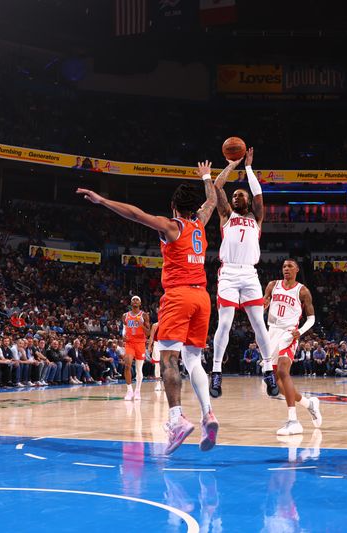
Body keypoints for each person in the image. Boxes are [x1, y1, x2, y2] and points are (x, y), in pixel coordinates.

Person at [77, 158, 226, 455]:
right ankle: (208, 413)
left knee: (169, 359)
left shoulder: (173, 227)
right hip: (202, 297)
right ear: (192, 208)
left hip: (179, 295)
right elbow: (211, 200)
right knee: (193, 359)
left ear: (174, 207)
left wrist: (102, 199)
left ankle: (176, 419)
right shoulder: (200, 223)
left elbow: (135, 214)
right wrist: (208, 176)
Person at [209, 148, 278, 399]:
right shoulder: (226, 215)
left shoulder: (256, 217)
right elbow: (217, 186)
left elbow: (259, 194)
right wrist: (232, 165)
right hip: (228, 273)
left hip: (249, 274)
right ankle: (216, 372)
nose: (236, 197)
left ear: (247, 201)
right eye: (234, 195)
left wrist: (248, 168)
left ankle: (268, 369)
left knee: (259, 323)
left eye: (240, 195)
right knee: (225, 323)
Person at [264, 259, 322, 436]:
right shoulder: (272, 285)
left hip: (289, 333)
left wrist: (300, 331)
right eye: (283, 266)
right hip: (271, 332)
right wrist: (261, 308)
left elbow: (311, 318)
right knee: (275, 380)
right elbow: (263, 305)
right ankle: (308, 404)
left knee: (283, 371)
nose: (286, 269)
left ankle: (293, 421)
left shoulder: (302, 290)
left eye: (290, 266)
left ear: (297, 269)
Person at [122, 296, 150, 400]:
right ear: (130, 302)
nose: (135, 301)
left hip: (140, 343)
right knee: (127, 365)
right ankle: (129, 391)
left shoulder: (144, 315)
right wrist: (123, 335)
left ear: (140, 303)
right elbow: (124, 328)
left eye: (137, 299)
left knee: (139, 369)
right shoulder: (125, 315)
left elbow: (148, 333)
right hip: (129, 343)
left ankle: (137, 391)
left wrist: (141, 325)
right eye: (133, 299)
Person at [147, 322, 163, 391]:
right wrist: (149, 346)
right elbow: (151, 336)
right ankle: (158, 384)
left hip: (166, 344)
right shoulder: (155, 325)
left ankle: (166, 384)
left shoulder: (168, 323)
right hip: (157, 344)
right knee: (157, 365)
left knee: (166, 365)